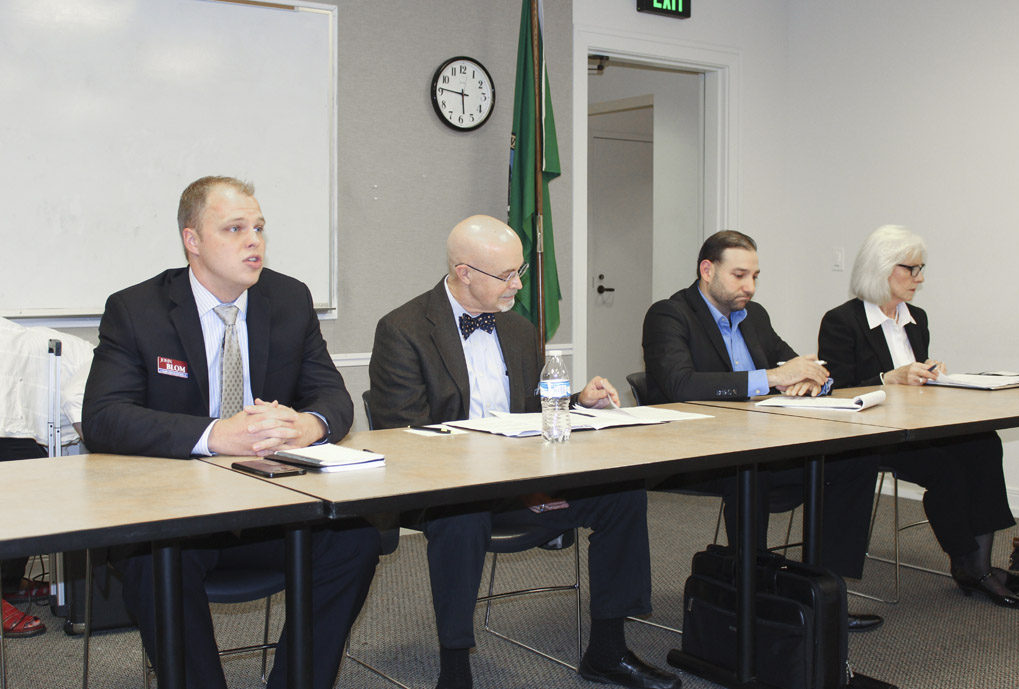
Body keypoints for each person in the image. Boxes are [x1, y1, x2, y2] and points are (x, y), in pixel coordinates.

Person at [82, 176, 380, 688]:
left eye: (260, 228)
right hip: (177, 516)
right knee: (155, 565)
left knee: (354, 541)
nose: (254, 241)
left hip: (271, 509)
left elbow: (334, 398)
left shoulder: (288, 299)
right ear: (192, 240)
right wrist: (216, 435)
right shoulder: (137, 310)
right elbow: (104, 417)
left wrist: (307, 424)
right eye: (235, 228)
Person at [368, 215, 680, 689]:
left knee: (622, 494)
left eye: (520, 272)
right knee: (463, 513)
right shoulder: (403, 329)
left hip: (521, 481)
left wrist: (576, 401)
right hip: (445, 489)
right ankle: (455, 670)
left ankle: (608, 652)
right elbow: (403, 433)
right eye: (506, 274)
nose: (517, 283)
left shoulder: (517, 328)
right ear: (464, 271)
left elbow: (533, 407)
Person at [642, 230, 882, 631]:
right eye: (739, 275)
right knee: (751, 472)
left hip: (759, 438)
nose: (749, 287)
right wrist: (772, 377)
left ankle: (823, 593)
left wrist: (814, 379)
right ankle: (752, 598)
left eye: (755, 276)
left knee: (854, 461)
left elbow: (797, 364)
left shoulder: (755, 316)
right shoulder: (669, 314)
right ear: (707, 270)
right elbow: (680, 385)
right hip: (695, 449)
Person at [818, 224, 1019, 607]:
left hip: (917, 426)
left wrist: (931, 375)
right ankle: (967, 564)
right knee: (946, 468)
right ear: (881, 269)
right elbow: (837, 388)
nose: (919, 278)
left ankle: (979, 563)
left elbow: (914, 386)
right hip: (873, 435)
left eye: (920, 268)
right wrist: (886, 379)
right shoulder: (842, 321)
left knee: (983, 443)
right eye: (910, 269)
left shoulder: (918, 318)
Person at [0, 317, 93, 637]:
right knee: (29, 486)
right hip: (7, 402)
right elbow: (78, 404)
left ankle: (8, 583)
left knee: (30, 484)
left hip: (11, 409)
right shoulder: (101, 360)